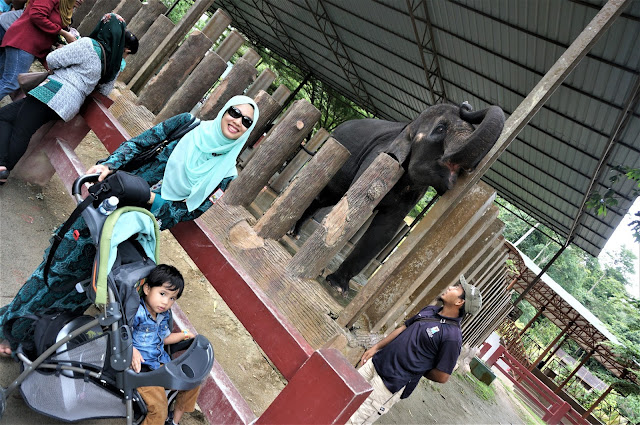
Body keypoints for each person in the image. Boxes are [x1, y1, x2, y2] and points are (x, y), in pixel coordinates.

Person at [0, 95, 259, 356]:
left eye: (246, 120)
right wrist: (109, 165)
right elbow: (139, 144)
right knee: (58, 267)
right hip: (111, 202)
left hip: (136, 231)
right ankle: (9, 328)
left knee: (89, 285)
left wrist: (153, 201)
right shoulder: (188, 125)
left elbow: (191, 211)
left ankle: (37, 338)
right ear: (225, 110)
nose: (237, 121)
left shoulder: (226, 174)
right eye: (234, 112)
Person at [0, 12, 137, 185]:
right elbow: (105, 89)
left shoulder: (89, 44)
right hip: (69, 105)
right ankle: (2, 164)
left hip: (51, 92)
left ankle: (3, 167)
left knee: (22, 130)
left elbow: (52, 59)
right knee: (5, 116)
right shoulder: (115, 63)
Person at [346, 275, 482, 425]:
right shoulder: (431, 310)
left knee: (352, 420)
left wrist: (417, 368)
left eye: (456, 288)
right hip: (376, 363)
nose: (450, 287)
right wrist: (376, 347)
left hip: (389, 384)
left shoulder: (452, 337)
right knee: (342, 398)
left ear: (459, 302)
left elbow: (443, 376)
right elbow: (404, 328)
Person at [130, 264, 200, 425]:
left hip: (160, 365)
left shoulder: (163, 314)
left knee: (192, 381)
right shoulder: (137, 312)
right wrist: (131, 349)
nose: (165, 302)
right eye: (162, 294)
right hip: (141, 371)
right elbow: (119, 333)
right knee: (158, 410)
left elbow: (165, 338)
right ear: (147, 289)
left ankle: (173, 421)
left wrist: (183, 335)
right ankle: (160, 418)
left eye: (172, 298)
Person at [0, 0, 81, 100]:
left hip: (30, 46)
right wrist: (63, 33)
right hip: (24, 42)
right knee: (10, 83)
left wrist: (59, 41)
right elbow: (37, 14)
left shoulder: (64, 7)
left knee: (4, 77)